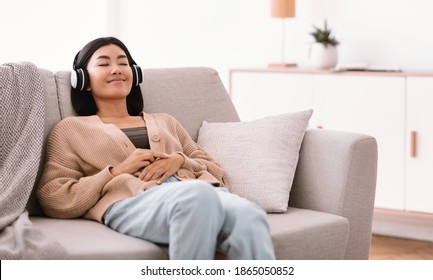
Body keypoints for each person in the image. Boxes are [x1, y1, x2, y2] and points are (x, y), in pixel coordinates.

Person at [37, 37, 275, 260]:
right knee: (197, 197)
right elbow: (53, 195)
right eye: (104, 64)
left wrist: (180, 160)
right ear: (83, 80)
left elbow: (215, 170)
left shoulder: (165, 121)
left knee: (250, 216)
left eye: (124, 63)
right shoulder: (70, 129)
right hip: (132, 202)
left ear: (135, 74)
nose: (117, 69)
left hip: (200, 192)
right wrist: (116, 171)